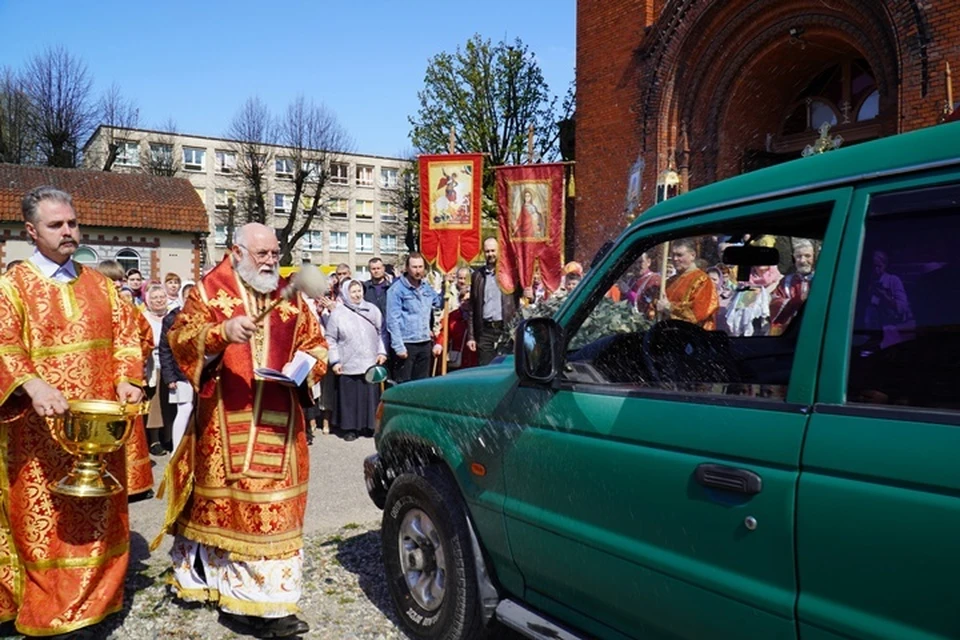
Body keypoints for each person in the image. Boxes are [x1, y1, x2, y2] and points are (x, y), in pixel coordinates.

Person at [160, 223, 328, 639]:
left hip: (282, 420)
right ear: (237, 251)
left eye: (275, 253)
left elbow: (316, 342)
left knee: (280, 510)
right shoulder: (209, 291)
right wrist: (220, 334)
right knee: (238, 512)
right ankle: (244, 602)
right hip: (226, 423)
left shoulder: (289, 296)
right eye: (263, 254)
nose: (272, 261)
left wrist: (307, 366)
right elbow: (180, 339)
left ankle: (269, 599)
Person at [0, 185, 143, 636]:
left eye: (72, 223)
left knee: (99, 514)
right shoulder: (12, 287)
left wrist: (128, 378)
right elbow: (3, 342)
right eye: (56, 225)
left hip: (99, 431)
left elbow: (129, 338)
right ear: (31, 231)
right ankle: (46, 607)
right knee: (42, 519)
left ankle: (96, 602)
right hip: (40, 434)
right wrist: (31, 382)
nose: (68, 232)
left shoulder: (101, 284)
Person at [98, 259, 154, 499]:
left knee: (129, 433)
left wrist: (131, 360)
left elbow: (146, 336)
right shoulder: (95, 305)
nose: (118, 284)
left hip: (124, 378)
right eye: (113, 279)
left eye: (120, 279)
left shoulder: (127, 307)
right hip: (100, 380)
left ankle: (135, 484)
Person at [326, 279, 387, 441]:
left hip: (369, 361)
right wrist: (335, 361)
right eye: (353, 291)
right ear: (346, 293)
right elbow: (330, 339)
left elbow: (382, 333)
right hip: (348, 362)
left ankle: (369, 426)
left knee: (369, 395)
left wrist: (382, 352)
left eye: (359, 290)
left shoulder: (372, 309)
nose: (357, 294)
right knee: (350, 397)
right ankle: (350, 428)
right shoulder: (338, 314)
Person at [386, 252, 442, 382]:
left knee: (422, 384)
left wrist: (446, 287)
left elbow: (437, 302)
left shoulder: (426, 287)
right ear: (407, 268)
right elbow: (392, 320)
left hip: (424, 341)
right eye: (414, 267)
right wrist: (398, 346)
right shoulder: (397, 290)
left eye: (420, 267)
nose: (418, 270)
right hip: (407, 343)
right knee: (405, 384)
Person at [467, 238, 518, 365]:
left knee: (505, 368)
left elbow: (523, 297)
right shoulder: (477, 276)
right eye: (487, 251)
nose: (490, 254)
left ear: (499, 251)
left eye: (493, 251)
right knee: (485, 370)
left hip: (505, 329)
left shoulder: (511, 274)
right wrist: (471, 337)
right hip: (485, 331)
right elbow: (472, 308)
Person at [158, 282, 195, 453]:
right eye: (187, 296)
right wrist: (169, 376)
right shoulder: (172, 318)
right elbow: (165, 349)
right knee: (184, 409)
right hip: (180, 374)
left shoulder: (202, 316)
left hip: (200, 372)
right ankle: (176, 450)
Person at [656, 238, 719, 329]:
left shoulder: (703, 280)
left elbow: (697, 313)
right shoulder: (669, 281)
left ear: (692, 255)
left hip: (693, 337)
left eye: (679, 255)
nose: (675, 259)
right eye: (673, 255)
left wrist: (669, 307)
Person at [142, 283, 170, 455]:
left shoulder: (174, 315)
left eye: (161, 297)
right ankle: (154, 440)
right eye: (154, 298)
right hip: (154, 367)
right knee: (156, 405)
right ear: (148, 300)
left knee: (170, 406)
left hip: (172, 367)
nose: (159, 300)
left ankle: (168, 437)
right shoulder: (144, 318)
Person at [770, 239, 816, 335]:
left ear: (814, 257)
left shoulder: (822, 279)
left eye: (807, 256)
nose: (802, 261)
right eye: (799, 256)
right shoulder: (786, 281)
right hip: (790, 330)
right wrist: (796, 302)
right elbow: (774, 301)